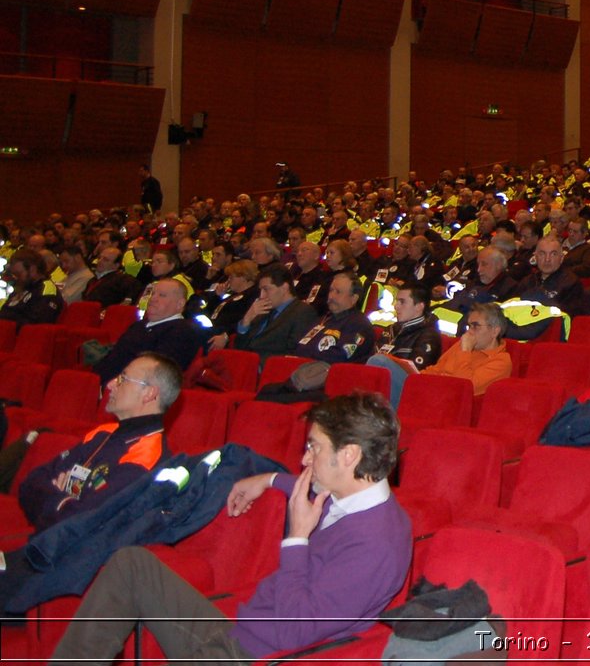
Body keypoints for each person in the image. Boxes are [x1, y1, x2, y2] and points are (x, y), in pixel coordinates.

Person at [49, 391, 410, 665]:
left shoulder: (376, 543)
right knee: (131, 566)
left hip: (253, 655)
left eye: (314, 448)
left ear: (349, 455)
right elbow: (304, 487)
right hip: (239, 630)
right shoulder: (349, 492)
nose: (304, 459)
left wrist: (297, 538)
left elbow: (294, 630)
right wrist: (267, 479)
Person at [0, 354, 182, 606]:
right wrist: (66, 500)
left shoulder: (147, 457)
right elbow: (31, 484)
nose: (109, 384)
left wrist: (59, 498)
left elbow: (80, 524)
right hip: (39, 552)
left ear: (149, 394)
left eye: (122, 379)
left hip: (60, 578)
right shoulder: (103, 434)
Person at [92, 278, 203, 385]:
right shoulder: (139, 325)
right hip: (102, 384)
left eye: (162, 295)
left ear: (180, 304)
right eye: (153, 294)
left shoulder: (181, 331)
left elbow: (156, 373)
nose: (153, 298)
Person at [233, 264, 319, 363]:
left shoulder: (303, 312)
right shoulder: (262, 309)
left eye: (266, 289)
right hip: (246, 364)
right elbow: (239, 346)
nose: (261, 296)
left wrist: (253, 361)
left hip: (268, 368)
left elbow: (293, 353)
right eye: (260, 290)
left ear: (284, 288)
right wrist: (246, 320)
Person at [422, 303, 513, 396]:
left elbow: (464, 387)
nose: (469, 331)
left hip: (456, 404)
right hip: (434, 393)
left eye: (475, 326)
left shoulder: (501, 362)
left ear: (495, 331)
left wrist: (465, 351)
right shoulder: (462, 344)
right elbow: (436, 370)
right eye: (469, 326)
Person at [1, 248, 64, 326]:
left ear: (33, 269)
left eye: (19, 274)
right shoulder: (23, 287)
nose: (16, 278)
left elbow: (36, 323)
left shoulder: (46, 290)